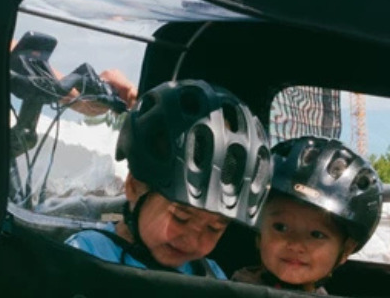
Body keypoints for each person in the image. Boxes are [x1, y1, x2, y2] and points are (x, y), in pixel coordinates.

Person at [65, 80, 270, 276]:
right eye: (180, 218)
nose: (192, 241)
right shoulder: (85, 255)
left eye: (214, 228)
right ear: (134, 186)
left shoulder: (210, 275)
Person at [231, 136, 381, 294]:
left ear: (345, 250)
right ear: (259, 234)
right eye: (280, 227)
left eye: (316, 234)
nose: (295, 245)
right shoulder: (233, 294)